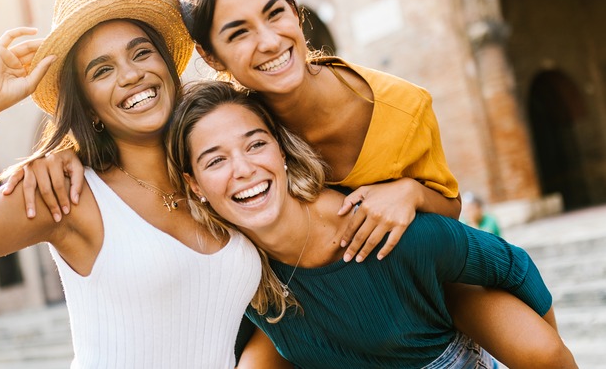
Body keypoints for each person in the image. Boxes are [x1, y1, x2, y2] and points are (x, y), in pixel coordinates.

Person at [12, 0, 575, 367]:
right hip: (296, 297)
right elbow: (144, 127)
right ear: (214, 58)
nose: (267, 42)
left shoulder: (400, 107)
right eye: (237, 32)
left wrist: (408, 192)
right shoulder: (234, 115)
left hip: (410, 284)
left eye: (275, 13)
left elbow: (451, 218)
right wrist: (65, 154)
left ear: (294, 11)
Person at [0, 0, 276, 369]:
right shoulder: (69, 196)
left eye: (141, 53)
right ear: (89, 107)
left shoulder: (221, 176)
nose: (131, 75)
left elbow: (276, 303)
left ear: (167, 66)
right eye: (101, 71)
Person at [166, 79, 577, 368]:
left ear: (281, 151)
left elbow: (511, 266)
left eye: (255, 144)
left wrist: (541, 348)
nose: (243, 169)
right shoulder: (230, 267)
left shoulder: (376, 229)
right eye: (215, 160)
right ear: (194, 185)